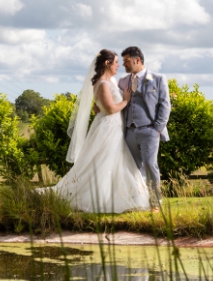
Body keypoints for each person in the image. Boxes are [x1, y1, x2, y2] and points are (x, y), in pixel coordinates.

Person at [47, 50, 151, 213]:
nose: (118, 65)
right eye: (116, 62)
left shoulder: (109, 81)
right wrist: (125, 100)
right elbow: (110, 109)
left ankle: (122, 197)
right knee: (104, 161)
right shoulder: (102, 83)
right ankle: (101, 199)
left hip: (113, 127)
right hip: (108, 127)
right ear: (107, 63)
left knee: (117, 162)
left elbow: (100, 106)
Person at [118, 46, 171, 212]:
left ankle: (156, 202)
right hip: (129, 131)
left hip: (150, 130)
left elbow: (165, 105)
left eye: (126, 61)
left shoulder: (158, 78)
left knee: (149, 164)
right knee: (133, 167)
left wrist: (157, 128)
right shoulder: (122, 81)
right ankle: (138, 201)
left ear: (137, 60)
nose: (123, 64)